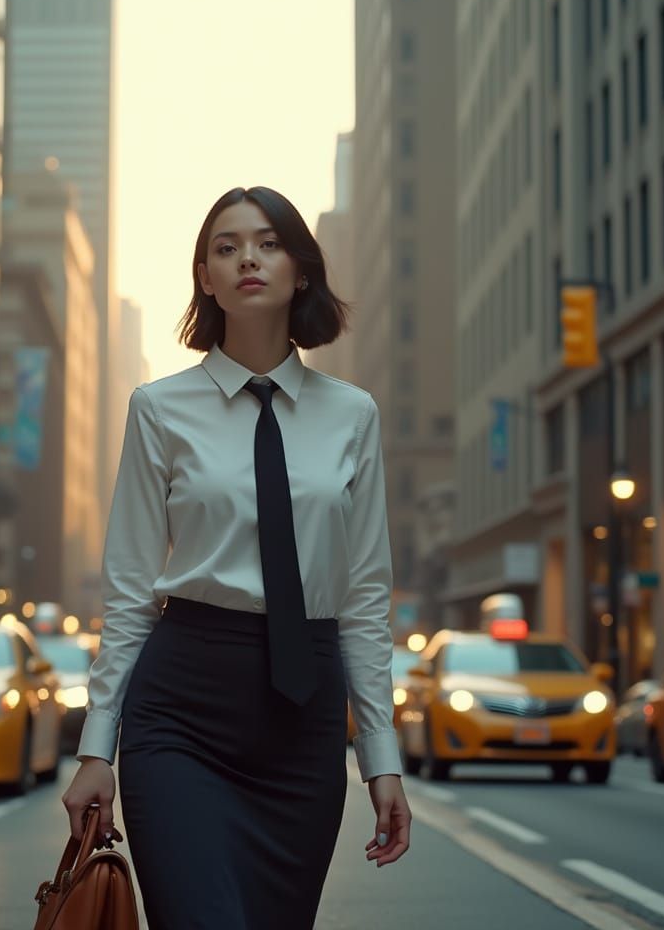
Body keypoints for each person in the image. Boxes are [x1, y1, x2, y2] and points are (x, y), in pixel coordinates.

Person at [62, 186, 412, 929]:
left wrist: (380, 756)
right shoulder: (159, 409)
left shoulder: (353, 415)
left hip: (304, 718)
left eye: (267, 242)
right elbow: (127, 591)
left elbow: (365, 597)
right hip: (183, 712)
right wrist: (98, 746)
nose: (247, 257)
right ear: (205, 277)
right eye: (226, 247)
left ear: (302, 271)